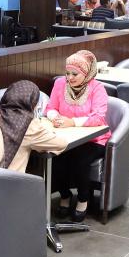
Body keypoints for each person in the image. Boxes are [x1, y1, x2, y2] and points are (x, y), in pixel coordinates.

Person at [47, 51, 109, 221]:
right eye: (67, 73)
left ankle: (83, 199)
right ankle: (65, 195)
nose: (69, 78)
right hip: (66, 136)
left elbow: (98, 118)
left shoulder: (97, 88)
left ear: (86, 73)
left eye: (75, 74)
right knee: (55, 158)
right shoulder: (60, 83)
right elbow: (50, 108)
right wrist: (55, 117)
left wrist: (72, 122)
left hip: (93, 139)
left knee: (80, 160)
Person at [0, 80, 67, 172]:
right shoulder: (29, 125)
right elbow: (61, 144)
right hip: (2, 184)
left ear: (6, 96)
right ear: (33, 103)